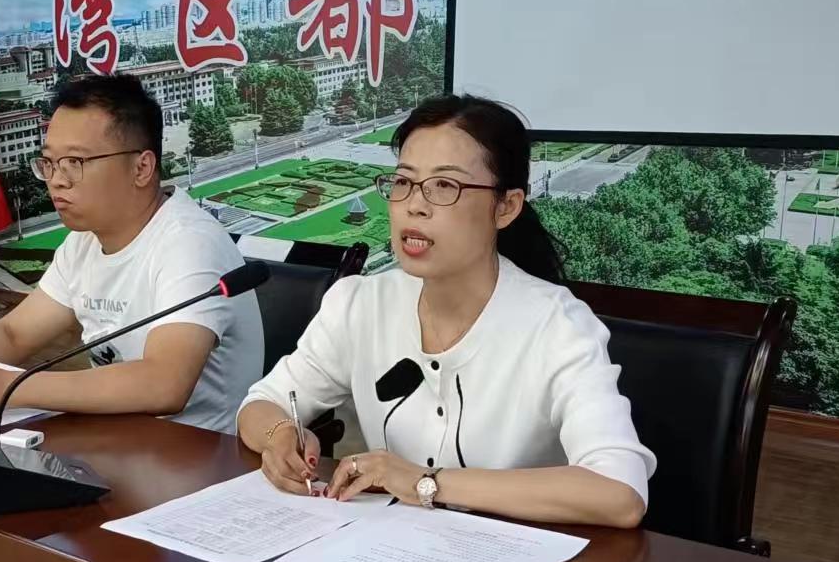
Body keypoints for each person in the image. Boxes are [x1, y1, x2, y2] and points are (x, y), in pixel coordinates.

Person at [238, 94, 653, 528]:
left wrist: (426, 482)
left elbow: (619, 493)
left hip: (516, 558)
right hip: (388, 551)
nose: (414, 204)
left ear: (506, 207)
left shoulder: (557, 326)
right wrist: (280, 436)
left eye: (444, 186)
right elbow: (261, 403)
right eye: (403, 181)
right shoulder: (360, 303)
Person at [0, 74, 263, 433]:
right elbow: (13, 335)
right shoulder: (82, 243)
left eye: (75, 162)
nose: (57, 180)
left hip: (197, 454)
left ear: (141, 168)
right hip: (116, 440)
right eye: (49, 162)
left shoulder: (190, 243)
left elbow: (164, 383)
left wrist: (9, 388)